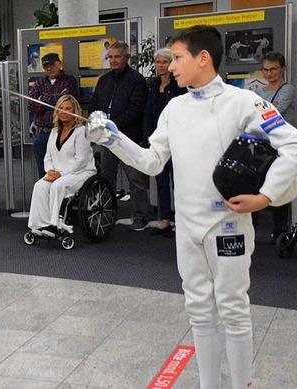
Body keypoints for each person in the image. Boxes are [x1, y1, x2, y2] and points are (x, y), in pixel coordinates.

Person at [85, 25, 297, 389]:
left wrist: (267, 197)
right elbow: (152, 161)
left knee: (231, 308)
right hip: (188, 226)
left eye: (178, 58)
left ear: (203, 58)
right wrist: (115, 139)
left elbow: (292, 146)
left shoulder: (244, 101)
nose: (171, 66)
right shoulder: (174, 109)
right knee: (199, 311)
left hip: (227, 224)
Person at [88, 41, 149, 231]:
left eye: (117, 57)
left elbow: (135, 111)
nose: (113, 60)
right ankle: (109, 212)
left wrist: (110, 125)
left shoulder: (137, 80)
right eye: (111, 57)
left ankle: (140, 216)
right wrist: (98, 123)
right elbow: (95, 104)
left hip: (128, 137)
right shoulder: (104, 80)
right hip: (106, 138)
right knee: (107, 178)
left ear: (126, 57)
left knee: (135, 179)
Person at [28, 95, 96, 238]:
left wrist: (61, 174)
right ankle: (40, 224)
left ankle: (55, 225)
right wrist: (50, 171)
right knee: (40, 185)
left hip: (81, 173)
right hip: (57, 173)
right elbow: (47, 157)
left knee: (58, 185)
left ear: (75, 111)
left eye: (68, 109)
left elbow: (81, 161)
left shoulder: (81, 132)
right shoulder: (54, 132)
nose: (64, 112)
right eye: (61, 109)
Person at [253, 51, 296, 243]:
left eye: (273, 69)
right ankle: (251, 231)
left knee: (279, 187)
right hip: (263, 146)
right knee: (255, 186)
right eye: (265, 70)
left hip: (282, 147)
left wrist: (264, 108)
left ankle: (280, 230)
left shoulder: (288, 90)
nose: (269, 74)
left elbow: (274, 113)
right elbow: (255, 114)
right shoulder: (258, 92)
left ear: (283, 69)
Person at [143, 48, 187, 237]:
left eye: (164, 62)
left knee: (178, 182)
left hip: (177, 140)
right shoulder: (153, 85)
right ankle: (164, 220)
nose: (160, 66)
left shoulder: (179, 86)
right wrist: (148, 136)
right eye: (158, 62)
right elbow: (148, 113)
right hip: (158, 140)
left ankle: (181, 222)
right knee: (160, 181)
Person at [28, 52, 78, 177]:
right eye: (46, 66)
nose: (49, 68)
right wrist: (56, 100)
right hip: (42, 133)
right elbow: (32, 105)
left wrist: (43, 98)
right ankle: (46, 195)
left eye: (52, 65)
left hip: (62, 132)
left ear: (59, 64)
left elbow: (67, 101)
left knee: (63, 169)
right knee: (43, 170)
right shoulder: (39, 83)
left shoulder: (69, 81)